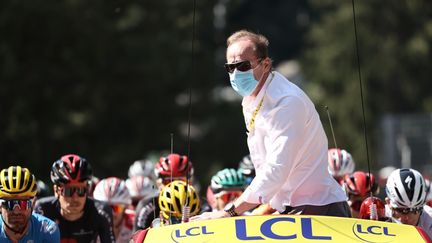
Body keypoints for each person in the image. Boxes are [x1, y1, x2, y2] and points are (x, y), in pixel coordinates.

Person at [192, 30, 349, 221]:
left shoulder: (287, 102)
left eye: (242, 66)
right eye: (230, 68)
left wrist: (228, 212)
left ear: (265, 65)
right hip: (291, 208)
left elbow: (276, 168)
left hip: (318, 209)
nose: (235, 74)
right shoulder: (252, 97)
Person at [34, 154, 116, 243]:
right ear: (56, 191)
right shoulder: (41, 210)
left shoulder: (101, 211)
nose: (75, 198)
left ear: (87, 190)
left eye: (81, 190)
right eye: (68, 191)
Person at [134, 153, 194, 230]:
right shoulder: (147, 205)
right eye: (168, 181)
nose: (175, 186)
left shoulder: (202, 205)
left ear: (190, 182)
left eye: (181, 181)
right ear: (158, 183)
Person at [0, 166, 60, 242]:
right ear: (0, 206)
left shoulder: (48, 230)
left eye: (23, 204)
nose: (16, 211)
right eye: (9, 204)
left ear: (33, 203)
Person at [385, 168, 432, 239]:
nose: (409, 218)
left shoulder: (430, 220)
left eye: (415, 210)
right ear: (388, 203)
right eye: (402, 210)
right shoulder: (379, 215)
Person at [93, 177, 135, 243]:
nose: (111, 213)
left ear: (125, 207)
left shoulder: (134, 222)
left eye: (116, 208)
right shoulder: (89, 225)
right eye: (105, 208)